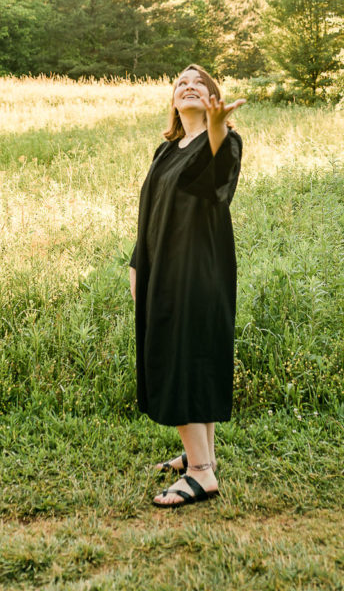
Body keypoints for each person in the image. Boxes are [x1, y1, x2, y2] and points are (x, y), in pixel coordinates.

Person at [128, 64, 245, 508]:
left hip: (196, 270)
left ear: (213, 97)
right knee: (188, 355)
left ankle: (200, 475)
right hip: (162, 268)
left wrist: (216, 128)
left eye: (199, 83)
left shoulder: (225, 141)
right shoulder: (166, 150)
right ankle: (202, 456)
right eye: (181, 83)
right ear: (174, 101)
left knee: (183, 359)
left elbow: (215, 180)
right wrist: (137, 263)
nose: (189, 86)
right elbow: (153, 210)